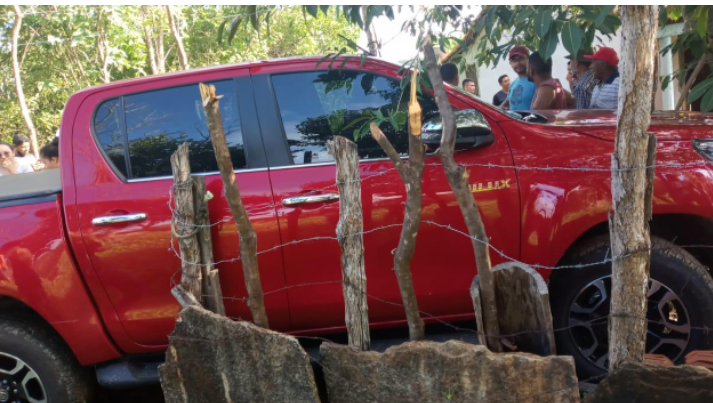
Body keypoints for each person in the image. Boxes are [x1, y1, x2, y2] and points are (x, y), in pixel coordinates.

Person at [501, 45, 536, 111]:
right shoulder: (513, 84)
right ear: (510, 63)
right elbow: (507, 103)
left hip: (529, 121)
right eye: (514, 60)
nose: (518, 63)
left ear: (528, 60)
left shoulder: (536, 82)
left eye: (521, 59)